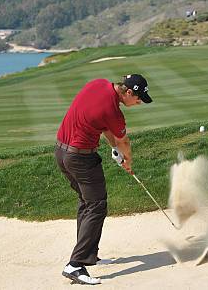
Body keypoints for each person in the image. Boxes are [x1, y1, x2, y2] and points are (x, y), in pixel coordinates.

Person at [55, 74, 152, 285]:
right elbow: (122, 139)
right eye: (138, 98)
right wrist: (128, 160)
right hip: (81, 158)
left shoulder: (98, 83)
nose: (138, 103)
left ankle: (89, 254)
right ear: (128, 92)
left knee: (87, 202)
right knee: (97, 206)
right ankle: (75, 264)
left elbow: (105, 128)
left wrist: (114, 149)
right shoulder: (115, 113)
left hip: (61, 153)